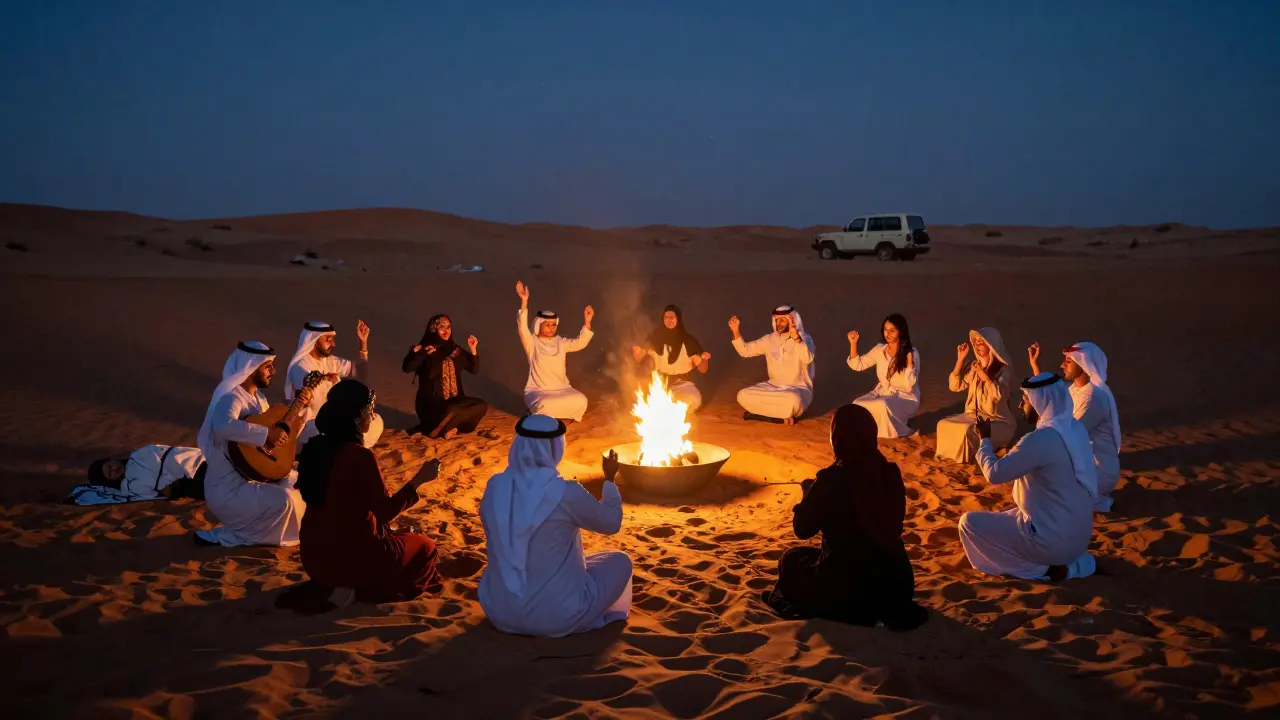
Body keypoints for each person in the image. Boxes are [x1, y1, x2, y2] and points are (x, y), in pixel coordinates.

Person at [762, 404, 929, 630]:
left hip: (848, 589)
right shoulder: (888, 473)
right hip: (897, 584)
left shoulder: (832, 480)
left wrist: (809, 495)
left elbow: (802, 530)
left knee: (791, 559)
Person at [478, 414, 631, 638]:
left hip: (500, 613)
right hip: (557, 616)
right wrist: (609, 480)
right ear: (556, 448)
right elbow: (611, 523)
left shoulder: (494, 486)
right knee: (620, 561)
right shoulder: (565, 492)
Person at [295, 379, 443, 605]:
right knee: (426, 546)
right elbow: (384, 511)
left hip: (313, 559)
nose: (373, 417)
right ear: (356, 415)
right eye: (370, 411)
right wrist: (420, 479)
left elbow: (346, 507)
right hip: (350, 562)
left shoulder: (315, 448)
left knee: (397, 535)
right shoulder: (359, 456)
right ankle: (363, 591)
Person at [958, 373, 1098, 581]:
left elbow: (995, 474)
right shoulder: (1075, 429)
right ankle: (1070, 564)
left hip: (1052, 544)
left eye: (1025, 400)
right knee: (1011, 514)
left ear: (1039, 402)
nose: (1021, 406)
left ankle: (1041, 571)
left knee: (968, 523)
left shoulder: (1039, 439)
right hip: (1078, 542)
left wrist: (985, 439)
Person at [194, 341, 311, 547]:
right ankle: (241, 535)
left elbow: (282, 438)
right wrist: (266, 434)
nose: (273, 371)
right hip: (228, 490)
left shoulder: (260, 400)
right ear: (251, 367)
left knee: (302, 485)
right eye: (268, 366)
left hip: (255, 478)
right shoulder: (231, 398)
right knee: (285, 500)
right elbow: (223, 426)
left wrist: (302, 409)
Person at [1030, 341, 1121, 512]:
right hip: (1083, 465)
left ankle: (1093, 500)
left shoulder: (1094, 397)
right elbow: (1050, 398)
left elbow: (1069, 434)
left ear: (1082, 364)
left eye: (1068, 361)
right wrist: (1035, 365)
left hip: (1098, 471)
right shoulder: (1075, 390)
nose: (1062, 365)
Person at [284, 320, 383, 447]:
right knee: (352, 431)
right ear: (314, 340)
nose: (333, 343)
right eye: (328, 339)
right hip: (310, 425)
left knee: (376, 422)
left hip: (333, 418)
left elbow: (360, 373)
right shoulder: (300, 366)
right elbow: (315, 404)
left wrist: (363, 345)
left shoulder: (330, 361)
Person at [516, 281, 595, 422]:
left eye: (554, 325)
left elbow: (580, 343)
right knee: (546, 404)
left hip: (562, 389)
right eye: (547, 325)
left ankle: (555, 414)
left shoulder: (560, 342)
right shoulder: (532, 342)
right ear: (539, 324)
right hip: (539, 392)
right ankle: (536, 412)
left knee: (581, 400)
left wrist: (587, 321)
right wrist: (524, 301)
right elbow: (522, 328)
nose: (551, 328)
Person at [935, 327, 1018, 463]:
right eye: (976, 342)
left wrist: (983, 375)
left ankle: (965, 458)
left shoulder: (1004, 371)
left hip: (998, 422)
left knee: (968, 431)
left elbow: (998, 394)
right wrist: (960, 360)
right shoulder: (975, 367)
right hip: (972, 416)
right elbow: (955, 386)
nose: (978, 345)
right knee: (943, 424)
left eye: (982, 342)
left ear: (991, 346)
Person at [402, 314, 488, 439]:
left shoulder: (455, 350)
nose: (446, 330)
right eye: (441, 326)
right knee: (451, 410)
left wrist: (473, 349)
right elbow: (407, 368)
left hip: (455, 402)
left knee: (481, 406)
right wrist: (418, 353)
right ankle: (443, 428)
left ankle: (452, 428)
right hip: (431, 406)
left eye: (449, 326)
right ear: (433, 329)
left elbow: (474, 370)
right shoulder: (426, 349)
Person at [730, 305, 816, 425]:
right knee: (742, 395)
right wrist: (735, 330)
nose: (778, 323)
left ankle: (766, 413)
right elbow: (746, 351)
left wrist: (796, 338)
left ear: (793, 320)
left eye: (782, 319)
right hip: (772, 387)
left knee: (793, 400)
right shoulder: (769, 339)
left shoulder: (805, 338)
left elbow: (807, 358)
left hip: (797, 389)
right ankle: (781, 417)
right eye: (776, 320)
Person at [847, 314, 921, 438]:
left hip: (905, 397)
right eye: (886, 330)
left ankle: (906, 431)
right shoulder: (879, 350)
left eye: (892, 330)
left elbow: (910, 385)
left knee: (882, 404)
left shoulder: (912, 353)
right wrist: (853, 343)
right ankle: (870, 430)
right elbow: (858, 365)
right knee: (857, 404)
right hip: (883, 393)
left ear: (901, 332)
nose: (888, 334)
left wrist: (909, 362)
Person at [631, 304, 711, 412]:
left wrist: (704, 359)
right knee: (644, 401)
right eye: (666, 317)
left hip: (683, 385)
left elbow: (703, 369)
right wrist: (637, 353)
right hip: (660, 383)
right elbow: (639, 358)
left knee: (693, 400)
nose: (669, 320)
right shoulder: (655, 337)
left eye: (672, 317)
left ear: (678, 319)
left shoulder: (688, 341)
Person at [66, 445, 206, 505]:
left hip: (198, 463)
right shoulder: (131, 486)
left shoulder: (141, 455)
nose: (113, 470)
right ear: (110, 480)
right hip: (189, 485)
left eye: (110, 466)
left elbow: (163, 454)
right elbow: (158, 491)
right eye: (109, 474)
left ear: (112, 460)